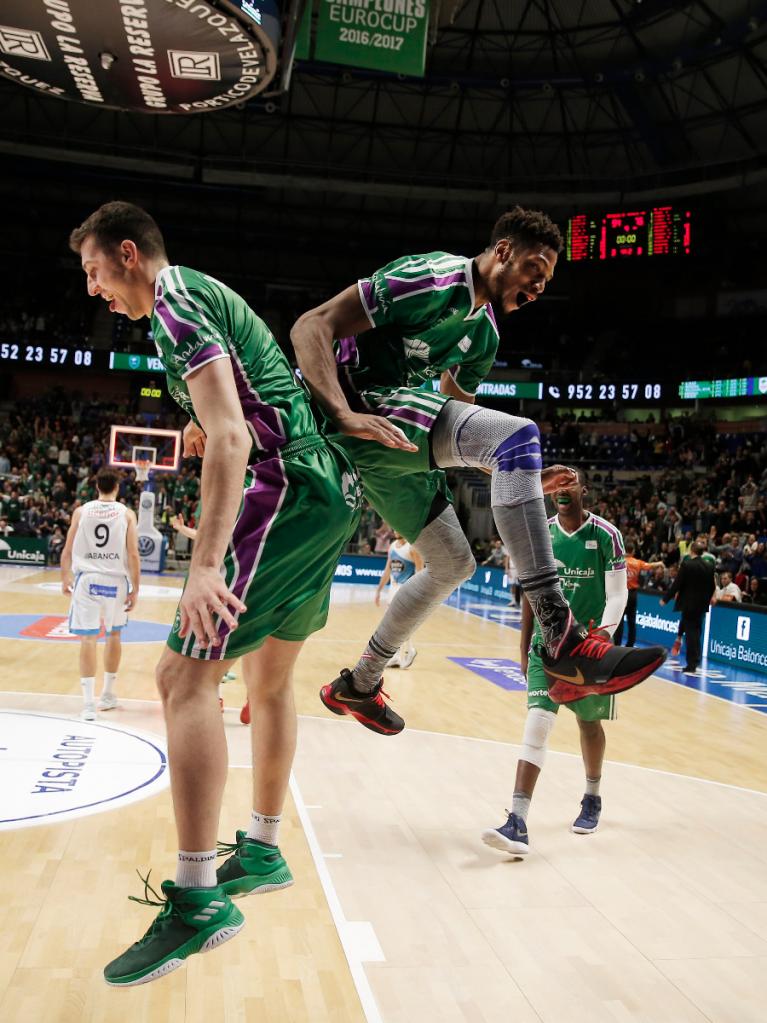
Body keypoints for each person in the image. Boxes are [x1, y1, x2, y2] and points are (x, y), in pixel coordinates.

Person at [70, 201, 360, 987]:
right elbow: (236, 408)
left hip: (284, 484)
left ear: (129, 253)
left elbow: (234, 435)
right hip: (328, 491)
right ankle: (262, 848)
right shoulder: (199, 294)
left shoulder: (171, 300)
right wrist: (212, 427)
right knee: (268, 680)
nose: (93, 288)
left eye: (95, 270)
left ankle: (198, 899)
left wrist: (204, 565)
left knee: (180, 678)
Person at [291, 207, 666, 735]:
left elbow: (463, 435)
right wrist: (344, 414)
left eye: (548, 280)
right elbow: (312, 324)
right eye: (535, 268)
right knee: (519, 436)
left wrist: (521, 480)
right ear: (504, 251)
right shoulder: (431, 278)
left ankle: (361, 682)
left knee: (452, 563)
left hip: (396, 436)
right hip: (350, 411)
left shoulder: (484, 337)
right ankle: (560, 633)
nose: (539, 286)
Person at [482, 470, 628, 856]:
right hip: (546, 647)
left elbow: (618, 595)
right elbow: (530, 594)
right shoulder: (541, 532)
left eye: (570, 485)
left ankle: (592, 796)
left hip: (588, 647)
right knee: (538, 721)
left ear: (584, 491)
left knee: (588, 723)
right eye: (557, 486)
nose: (563, 491)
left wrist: (603, 637)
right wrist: (522, 645)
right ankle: (517, 820)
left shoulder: (606, 535)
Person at [60, 468, 140, 720]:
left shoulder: (81, 511)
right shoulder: (127, 514)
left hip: (87, 580)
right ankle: (107, 694)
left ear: (96, 487)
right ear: (117, 487)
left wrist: (65, 576)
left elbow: (67, 548)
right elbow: (134, 554)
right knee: (114, 634)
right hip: (115, 580)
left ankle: (87, 705)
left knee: (88, 639)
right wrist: (136, 587)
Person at [661, 541, 715, 674]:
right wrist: (706, 600)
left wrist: (666, 599)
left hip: (689, 604)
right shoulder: (709, 566)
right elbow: (712, 586)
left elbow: (677, 584)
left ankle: (691, 664)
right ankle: (695, 661)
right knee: (696, 632)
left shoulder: (687, 565)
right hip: (701, 605)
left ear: (691, 551)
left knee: (691, 634)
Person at [374, 532, 424, 668]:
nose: (396, 530)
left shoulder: (413, 548)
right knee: (393, 625)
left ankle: (407, 650)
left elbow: (421, 573)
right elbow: (387, 570)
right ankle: (398, 655)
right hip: (393, 589)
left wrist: (419, 594)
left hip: (406, 590)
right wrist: (379, 590)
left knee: (399, 624)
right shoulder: (392, 547)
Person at [614, 540, 664, 646]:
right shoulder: (637, 562)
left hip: (620, 594)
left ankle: (617, 645)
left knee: (619, 621)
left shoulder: (618, 561)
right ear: (633, 551)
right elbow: (650, 566)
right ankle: (630, 645)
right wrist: (659, 563)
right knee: (632, 621)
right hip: (632, 594)